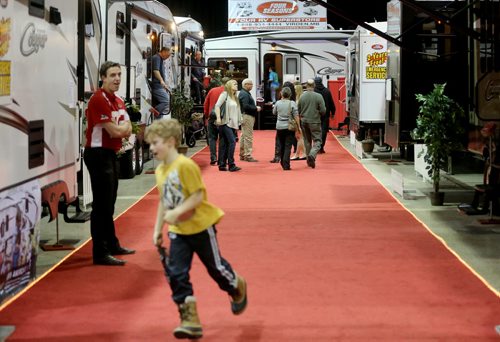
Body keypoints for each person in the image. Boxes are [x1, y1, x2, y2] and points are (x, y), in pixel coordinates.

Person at [145, 119, 247, 339]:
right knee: (176, 273)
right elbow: (164, 201)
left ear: (171, 142)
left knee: (216, 269)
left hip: (200, 226)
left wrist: (177, 211)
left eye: (155, 143)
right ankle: (189, 318)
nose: (151, 148)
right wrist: (157, 229)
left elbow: (198, 195)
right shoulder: (161, 170)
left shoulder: (185, 165)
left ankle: (236, 285)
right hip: (178, 231)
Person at [84, 61, 135, 266]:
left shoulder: (118, 100)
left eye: (119, 75)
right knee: (101, 205)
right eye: (112, 75)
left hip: (111, 154)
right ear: (103, 78)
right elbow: (115, 131)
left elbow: (128, 127)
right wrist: (121, 128)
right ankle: (100, 252)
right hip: (98, 155)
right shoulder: (98, 99)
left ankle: (112, 244)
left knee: (110, 203)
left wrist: (121, 128)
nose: (117, 79)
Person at [214, 79, 242, 172]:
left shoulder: (235, 96)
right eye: (234, 84)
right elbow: (217, 106)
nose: (236, 85)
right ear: (229, 85)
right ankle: (231, 164)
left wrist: (239, 120)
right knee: (232, 142)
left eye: (237, 84)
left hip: (232, 124)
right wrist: (218, 118)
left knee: (224, 143)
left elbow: (237, 111)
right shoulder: (224, 95)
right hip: (225, 122)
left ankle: (222, 165)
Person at [298, 79, 326, 169]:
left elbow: (298, 109)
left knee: (307, 140)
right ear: (314, 86)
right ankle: (312, 155)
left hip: (304, 121)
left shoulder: (302, 96)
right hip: (315, 121)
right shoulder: (319, 96)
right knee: (318, 141)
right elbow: (323, 110)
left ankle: (308, 160)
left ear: (306, 86)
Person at [272, 87, 301, 171]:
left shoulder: (277, 103)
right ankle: (286, 164)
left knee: (281, 145)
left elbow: (274, 112)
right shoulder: (292, 103)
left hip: (279, 127)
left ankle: (282, 162)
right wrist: (298, 127)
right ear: (290, 94)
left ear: (281, 94)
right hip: (289, 127)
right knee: (288, 146)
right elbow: (296, 116)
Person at [203, 77, 229, 165]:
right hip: (223, 118)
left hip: (212, 117)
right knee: (222, 139)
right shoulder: (229, 93)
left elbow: (206, 103)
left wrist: (207, 115)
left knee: (212, 138)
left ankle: (213, 157)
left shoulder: (212, 90)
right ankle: (221, 160)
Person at [238, 78, 261, 162]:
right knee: (248, 136)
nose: (252, 85)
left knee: (244, 136)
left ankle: (242, 154)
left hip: (246, 116)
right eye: (250, 84)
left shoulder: (244, 93)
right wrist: (256, 108)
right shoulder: (244, 94)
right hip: (247, 116)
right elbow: (246, 106)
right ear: (245, 85)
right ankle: (248, 155)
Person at [314, 76, 336, 153]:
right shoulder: (327, 91)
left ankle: (316, 146)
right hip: (325, 114)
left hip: (315, 114)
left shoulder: (313, 91)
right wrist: (333, 113)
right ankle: (321, 147)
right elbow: (331, 103)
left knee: (316, 131)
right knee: (323, 130)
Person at [152, 47, 172, 119]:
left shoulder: (160, 59)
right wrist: (161, 81)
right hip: (157, 86)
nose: (168, 57)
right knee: (166, 101)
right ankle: (155, 111)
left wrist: (165, 85)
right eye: (168, 55)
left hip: (160, 85)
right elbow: (155, 71)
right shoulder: (157, 58)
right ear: (163, 51)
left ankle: (158, 123)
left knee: (162, 104)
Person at [291, 83, 307, 160]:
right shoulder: (301, 98)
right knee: (300, 138)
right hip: (301, 119)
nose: (293, 91)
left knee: (299, 137)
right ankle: (303, 153)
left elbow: (297, 112)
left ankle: (299, 154)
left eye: (294, 89)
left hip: (299, 120)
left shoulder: (298, 100)